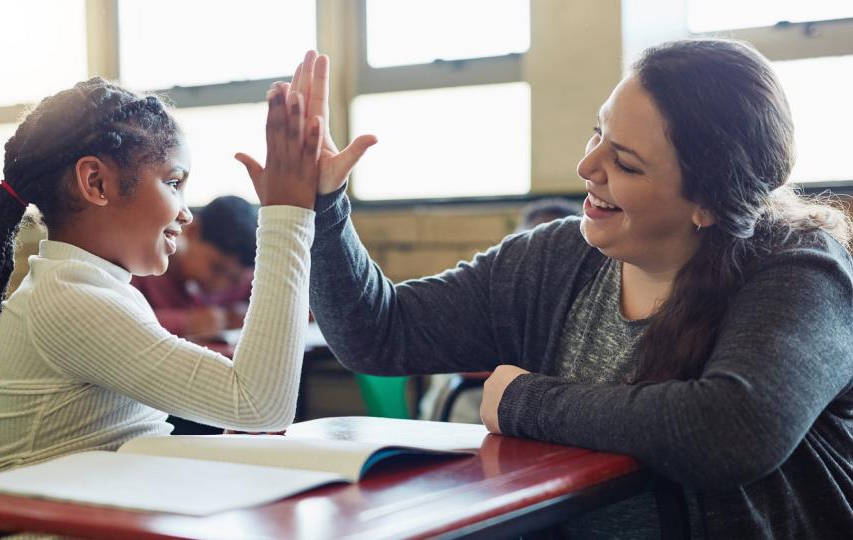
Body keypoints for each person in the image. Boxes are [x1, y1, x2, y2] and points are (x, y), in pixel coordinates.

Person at [286, 41, 853, 538]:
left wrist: (522, 399)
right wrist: (324, 208)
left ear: (708, 202)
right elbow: (379, 335)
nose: (587, 165)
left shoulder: (798, 269)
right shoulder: (553, 258)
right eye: (598, 131)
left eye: (625, 163)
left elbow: (731, 429)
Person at [0, 75, 353, 475]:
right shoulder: (68, 300)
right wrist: (287, 214)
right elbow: (261, 405)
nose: (185, 212)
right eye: (173, 182)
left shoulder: (94, 287)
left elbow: (146, 440)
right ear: (96, 182)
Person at [419, 196, 583, 423]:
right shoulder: (493, 300)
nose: (531, 267)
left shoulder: (580, 312)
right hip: (458, 428)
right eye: (524, 248)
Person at [131, 195, 257, 340]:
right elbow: (120, 319)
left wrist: (250, 313)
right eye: (216, 268)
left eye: (234, 280)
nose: (220, 284)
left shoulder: (243, 274)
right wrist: (187, 323)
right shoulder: (140, 264)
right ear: (192, 231)